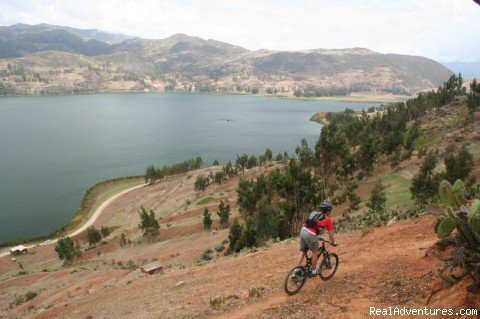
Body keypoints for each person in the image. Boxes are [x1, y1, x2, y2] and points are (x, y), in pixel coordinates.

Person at [297, 202, 337, 276]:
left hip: (303, 230)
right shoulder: (328, 220)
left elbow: (308, 222)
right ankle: (313, 271)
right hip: (311, 234)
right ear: (328, 211)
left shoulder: (313, 213)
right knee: (315, 252)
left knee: (302, 250)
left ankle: (296, 270)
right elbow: (331, 235)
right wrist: (333, 242)